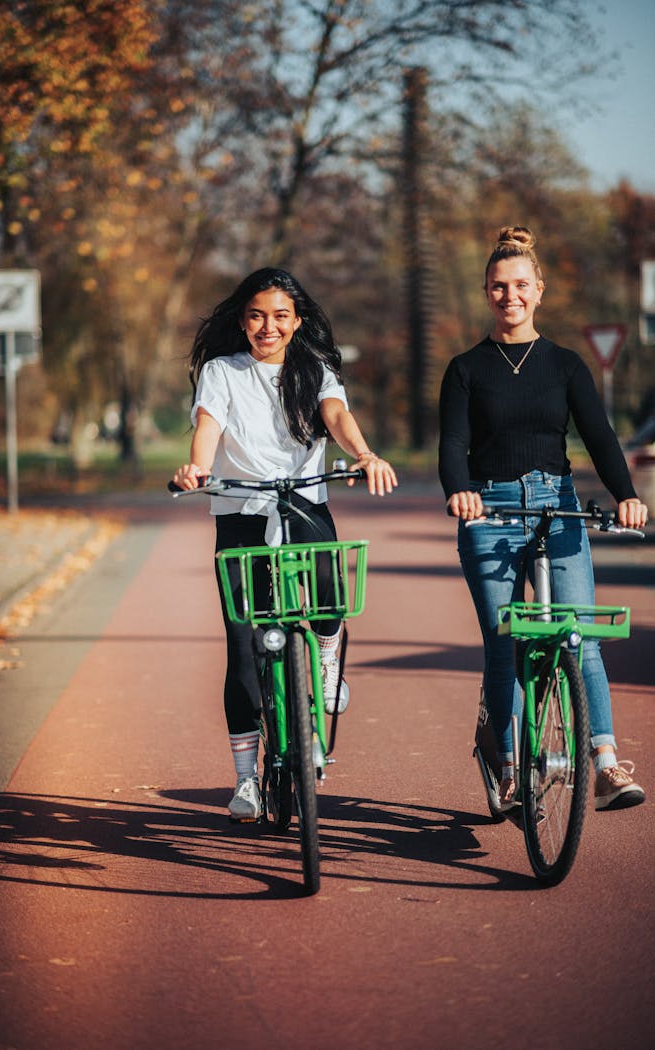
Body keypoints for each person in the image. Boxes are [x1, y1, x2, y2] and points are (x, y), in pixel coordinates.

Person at [173, 267, 397, 821]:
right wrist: (198, 469)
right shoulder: (222, 371)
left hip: (304, 504)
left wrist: (365, 454)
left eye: (279, 316)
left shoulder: (314, 367)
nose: (266, 327)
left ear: (297, 322)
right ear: (241, 320)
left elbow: (336, 415)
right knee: (244, 645)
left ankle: (325, 663)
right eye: (256, 316)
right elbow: (208, 423)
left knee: (328, 593)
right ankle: (246, 779)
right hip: (240, 511)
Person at [438, 225, 647, 813]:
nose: (511, 296)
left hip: (557, 507)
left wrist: (626, 494)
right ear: (486, 293)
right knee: (505, 645)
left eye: (521, 285)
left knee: (579, 638)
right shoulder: (465, 369)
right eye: (499, 287)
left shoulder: (566, 364)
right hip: (489, 510)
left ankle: (604, 764)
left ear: (540, 290)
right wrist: (461, 492)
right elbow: (453, 442)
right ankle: (506, 765)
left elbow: (600, 438)